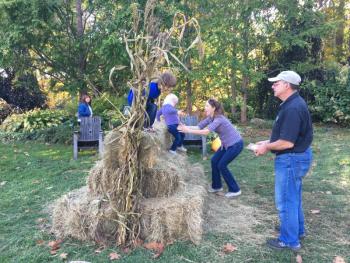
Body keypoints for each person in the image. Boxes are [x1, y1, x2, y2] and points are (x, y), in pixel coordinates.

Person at [254, 70, 313, 251]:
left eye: (276, 83)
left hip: (291, 159)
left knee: (286, 200)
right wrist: (267, 142)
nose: (273, 85)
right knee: (293, 197)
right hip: (296, 157)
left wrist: (266, 147)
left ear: (287, 85)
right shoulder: (292, 103)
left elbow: (287, 142)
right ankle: (297, 230)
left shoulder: (293, 107)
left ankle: (289, 240)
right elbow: (287, 137)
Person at [178, 99, 243, 198]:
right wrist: (185, 127)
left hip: (235, 144)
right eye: (205, 106)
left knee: (222, 165)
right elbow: (199, 127)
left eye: (207, 106)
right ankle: (217, 186)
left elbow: (206, 132)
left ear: (213, 108)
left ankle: (235, 189)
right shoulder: (210, 118)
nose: (205, 108)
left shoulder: (219, 119)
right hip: (226, 145)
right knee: (214, 161)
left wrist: (188, 131)